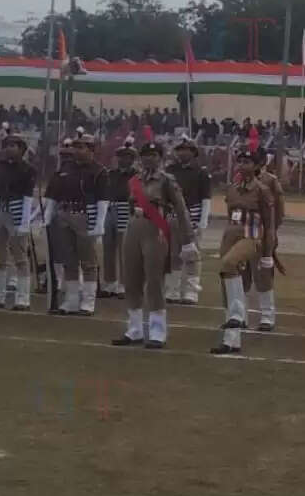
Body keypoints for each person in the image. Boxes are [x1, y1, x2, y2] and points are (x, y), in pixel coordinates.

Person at [111, 141, 194, 349]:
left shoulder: (167, 180)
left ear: (160, 157)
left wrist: (188, 240)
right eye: (146, 154)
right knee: (131, 279)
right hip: (133, 228)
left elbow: (181, 210)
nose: (149, 158)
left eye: (154, 154)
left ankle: (158, 331)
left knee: (154, 280)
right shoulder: (134, 180)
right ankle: (134, 329)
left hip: (155, 229)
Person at [210, 149, 281, 356]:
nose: (242, 165)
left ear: (257, 165)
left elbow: (269, 224)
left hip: (251, 235)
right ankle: (232, 339)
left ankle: (239, 316)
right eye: (240, 161)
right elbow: (230, 214)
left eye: (248, 161)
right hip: (231, 232)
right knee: (227, 278)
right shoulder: (232, 188)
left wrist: (268, 253)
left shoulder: (262, 189)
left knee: (229, 264)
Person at [43, 135, 103, 315]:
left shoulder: (98, 171)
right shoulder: (65, 169)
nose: (77, 150)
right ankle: (71, 300)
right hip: (64, 215)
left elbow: (103, 201)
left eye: (82, 147)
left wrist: (99, 224)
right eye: (76, 147)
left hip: (85, 217)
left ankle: (88, 302)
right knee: (69, 261)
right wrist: (47, 215)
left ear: (91, 150)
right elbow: (53, 195)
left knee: (88, 261)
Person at [0, 126, 38, 311]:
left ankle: (23, 298)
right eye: (7, 145)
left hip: (17, 211)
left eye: (13, 145)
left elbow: (27, 197)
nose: (9, 148)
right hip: (0, 210)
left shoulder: (28, 169)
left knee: (20, 257)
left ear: (22, 149)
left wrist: (25, 222)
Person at [164, 140, 213, 304]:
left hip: (193, 215)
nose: (182, 153)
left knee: (192, 255)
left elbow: (206, 199)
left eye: (186, 150)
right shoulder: (170, 170)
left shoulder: (201, 172)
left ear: (193, 152)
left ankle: (191, 291)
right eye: (180, 150)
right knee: (173, 254)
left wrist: (203, 222)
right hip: (172, 215)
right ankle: (173, 289)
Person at [97, 138, 138, 300]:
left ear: (132, 159)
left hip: (126, 209)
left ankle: (123, 284)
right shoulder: (110, 174)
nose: (123, 159)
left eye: (127, 157)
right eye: (120, 156)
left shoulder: (136, 175)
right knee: (108, 248)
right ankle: (109, 282)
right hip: (109, 208)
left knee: (124, 249)